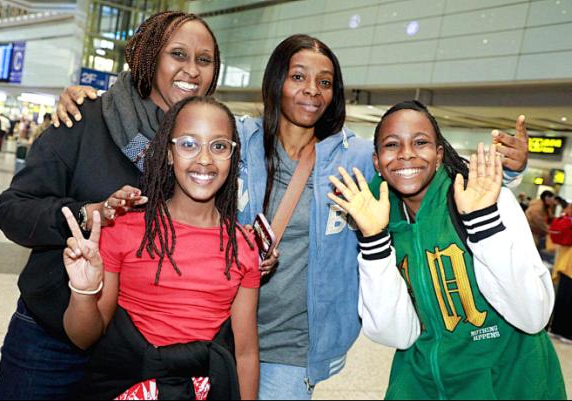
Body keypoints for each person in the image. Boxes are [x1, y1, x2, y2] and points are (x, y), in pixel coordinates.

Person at [54, 34, 530, 400]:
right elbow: (164, 137)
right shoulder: (235, 139)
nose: (312, 91)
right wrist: (91, 104)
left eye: (325, 82)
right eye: (299, 76)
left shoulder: (354, 158)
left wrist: (507, 171)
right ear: (276, 80)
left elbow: (414, 168)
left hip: (293, 344)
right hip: (213, 332)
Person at [0, 11, 224, 400]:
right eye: (178, 54)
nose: (192, 70)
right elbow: (13, 210)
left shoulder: (203, 142)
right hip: (51, 342)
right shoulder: (85, 118)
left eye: (204, 60)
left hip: (140, 353)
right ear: (149, 56)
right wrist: (86, 215)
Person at [328, 100, 566, 399]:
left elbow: (533, 316)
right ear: (377, 161)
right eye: (392, 144)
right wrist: (374, 241)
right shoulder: (376, 215)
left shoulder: (487, 200)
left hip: (508, 382)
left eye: (420, 142)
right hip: (422, 383)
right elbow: (396, 335)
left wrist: (483, 222)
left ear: (439, 154)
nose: (406, 153)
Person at [61, 96, 260, 399]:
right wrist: (84, 292)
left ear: (232, 156)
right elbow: (83, 337)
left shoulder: (242, 246)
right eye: (188, 144)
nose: (204, 159)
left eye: (219, 146)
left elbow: (245, 353)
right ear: (168, 153)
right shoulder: (124, 229)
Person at [550, 204, 572, 345]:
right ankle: (566, 332)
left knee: (562, 297)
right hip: (568, 264)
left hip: (565, 263)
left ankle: (556, 328)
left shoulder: (565, 219)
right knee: (568, 298)